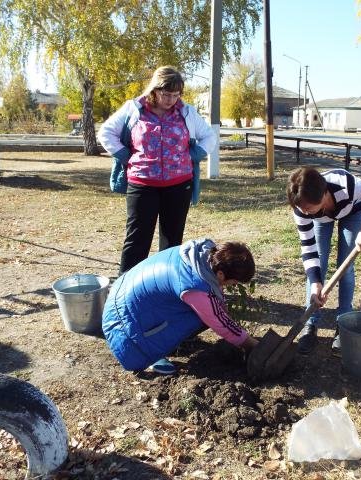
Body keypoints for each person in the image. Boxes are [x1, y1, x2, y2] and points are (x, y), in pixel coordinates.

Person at [98, 66, 217, 275]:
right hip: (142, 185)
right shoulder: (134, 109)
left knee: (172, 240)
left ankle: (165, 286)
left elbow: (209, 136)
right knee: (137, 239)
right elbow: (106, 132)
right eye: (165, 94)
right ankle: (125, 288)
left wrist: (194, 155)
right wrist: (127, 156)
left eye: (175, 94)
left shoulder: (186, 112)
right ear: (154, 89)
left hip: (179, 186)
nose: (170, 99)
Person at [102, 238, 259, 375]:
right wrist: (252, 345)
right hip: (126, 336)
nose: (233, 285)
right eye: (234, 282)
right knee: (203, 315)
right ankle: (151, 355)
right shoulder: (194, 286)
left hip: (120, 297)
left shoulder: (199, 256)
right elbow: (218, 320)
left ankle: (161, 340)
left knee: (206, 309)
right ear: (221, 274)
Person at [287, 167, 361, 354]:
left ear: (323, 195)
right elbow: (308, 247)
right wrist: (315, 283)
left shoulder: (349, 186)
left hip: (352, 211)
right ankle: (311, 325)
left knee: (345, 268)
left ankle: (343, 322)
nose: (304, 213)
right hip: (322, 219)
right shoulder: (302, 208)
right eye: (301, 209)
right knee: (318, 267)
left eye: (307, 209)